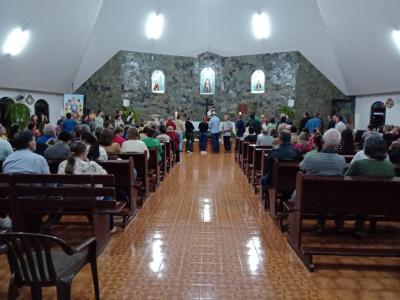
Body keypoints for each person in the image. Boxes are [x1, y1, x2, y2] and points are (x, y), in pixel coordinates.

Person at [345, 134, 395, 236]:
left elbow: (345, 179)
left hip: (358, 202)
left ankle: (357, 228)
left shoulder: (359, 164)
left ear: (367, 147)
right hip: (383, 202)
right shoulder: (389, 165)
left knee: (362, 196)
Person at [299, 129, 346, 232]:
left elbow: (301, 167)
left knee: (319, 192)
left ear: (322, 141)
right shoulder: (341, 160)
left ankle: (320, 224)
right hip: (334, 198)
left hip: (310, 197)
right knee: (327, 192)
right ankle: (336, 225)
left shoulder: (311, 158)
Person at [260, 130, 302, 204]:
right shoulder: (297, 153)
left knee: (264, 178)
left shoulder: (274, 152)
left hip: (275, 181)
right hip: (293, 183)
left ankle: (267, 199)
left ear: (280, 139)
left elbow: (267, 168)